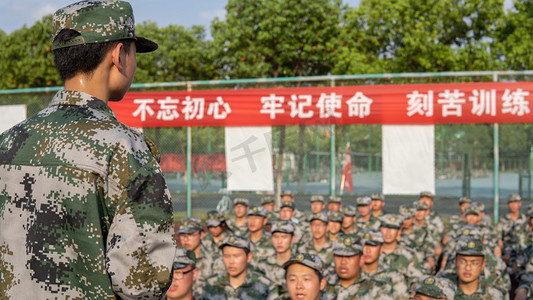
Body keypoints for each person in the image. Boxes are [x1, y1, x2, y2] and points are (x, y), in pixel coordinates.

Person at [0, 1, 175, 298]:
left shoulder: (7, 142)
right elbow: (141, 284)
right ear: (119, 55)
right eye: (134, 52)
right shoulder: (125, 148)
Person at [202, 235, 278, 299]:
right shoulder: (212, 284)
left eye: (236, 256)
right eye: (226, 256)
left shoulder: (266, 286)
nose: (231, 261)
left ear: (248, 257)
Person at [325, 234, 391, 299]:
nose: (343, 262)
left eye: (349, 256)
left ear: (361, 260)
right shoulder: (323, 284)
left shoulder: (375, 288)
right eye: (339, 256)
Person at [256, 220, 297, 298]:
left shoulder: (300, 264)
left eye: (284, 237)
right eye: (276, 237)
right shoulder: (262, 265)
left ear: (293, 239)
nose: (279, 241)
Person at [177, 217, 211, 297]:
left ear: (201, 235)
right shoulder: (174, 259)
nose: (186, 239)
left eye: (190, 234)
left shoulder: (213, 259)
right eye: (182, 235)